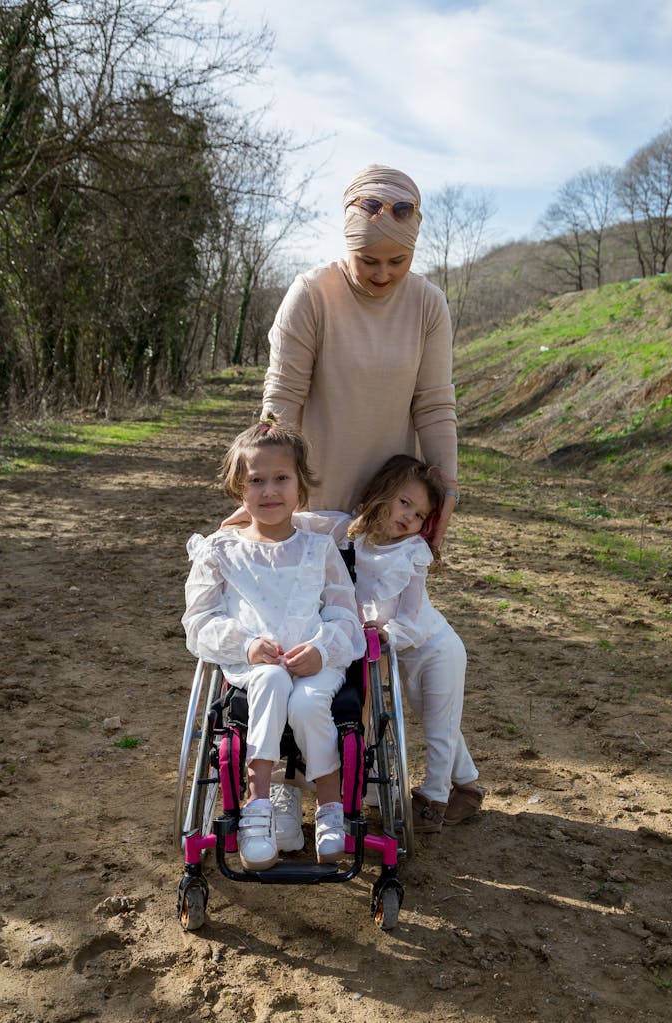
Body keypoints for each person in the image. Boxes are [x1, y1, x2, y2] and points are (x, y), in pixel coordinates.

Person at [254, 164, 465, 839]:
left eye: (397, 260)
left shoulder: (428, 305)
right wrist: (269, 498)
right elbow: (281, 402)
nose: (381, 273)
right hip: (315, 514)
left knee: (393, 645)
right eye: (367, 259)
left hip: (386, 515)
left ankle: (424, 777)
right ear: (344, 242)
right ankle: (297, 790)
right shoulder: (311, 294)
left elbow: (435, 406)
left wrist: (443, 494)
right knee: (309, 651)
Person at [181, 418, 365, 871]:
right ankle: (257, 808)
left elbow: (345, 615)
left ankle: (328, 811)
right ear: (237, 490)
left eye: (281, 478)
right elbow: (199, 621)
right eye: (255, 481)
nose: (269, 491)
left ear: (301, 485)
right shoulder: (221, 550)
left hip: (316, 664)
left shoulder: (319, 549)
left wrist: (323, 648)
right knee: (267, 678)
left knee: (305, 704)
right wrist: (244, 645)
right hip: (252, 665)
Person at [295, 455, 484, 834]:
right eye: (404, 503)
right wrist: (245, 521)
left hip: (432, 648)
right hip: (397, 655)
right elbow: (302, 522)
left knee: (438, 727)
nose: (409, 518)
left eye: (418, 515)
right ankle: (469, 787)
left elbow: (412, 616)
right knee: (440, 721)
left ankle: (433, 800)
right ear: (383, 493)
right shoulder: (350, 532)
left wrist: (385, 634)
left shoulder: (411, 552)